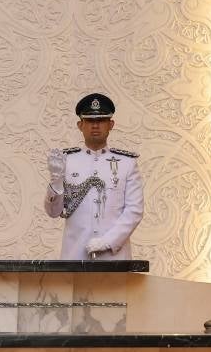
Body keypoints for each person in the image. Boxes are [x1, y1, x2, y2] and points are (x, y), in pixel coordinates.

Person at [43, 93, 144, 260]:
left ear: (111, 124)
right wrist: (56, 181)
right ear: (80, 125)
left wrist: (108, 241)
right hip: (75, 256)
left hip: (114, 258)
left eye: (101, 120)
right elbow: (53, 212)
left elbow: (134, 210)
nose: (95, 126)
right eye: (90, 121)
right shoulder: (66, 161)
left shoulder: (127, 163)